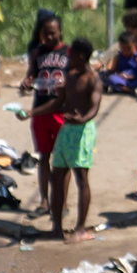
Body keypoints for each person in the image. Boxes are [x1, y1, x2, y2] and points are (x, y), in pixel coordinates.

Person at [33, 38, 102, 241]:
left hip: (83, 132)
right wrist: (33, 112)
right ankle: (57, 227)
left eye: (71, 55)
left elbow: (94, 107)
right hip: (66, 130)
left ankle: (80, 228)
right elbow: (58, 102)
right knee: (58, 177)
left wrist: (83, 119)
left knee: (81, 179)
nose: (67, 59)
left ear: (80, 57)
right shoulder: (69, 76)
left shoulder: (93, 79)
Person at [17, 10, 69, 214]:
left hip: (60, 113)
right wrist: (27, 83)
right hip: (40, 111)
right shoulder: (38, 53)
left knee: (62, 161)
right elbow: (30, 75)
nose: (48, 37)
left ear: (60, 32)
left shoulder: (69, 53)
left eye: (52, 33)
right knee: (44, 157)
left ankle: (62, 203)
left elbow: (73, 82)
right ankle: (44, 201)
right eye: (44, 34)